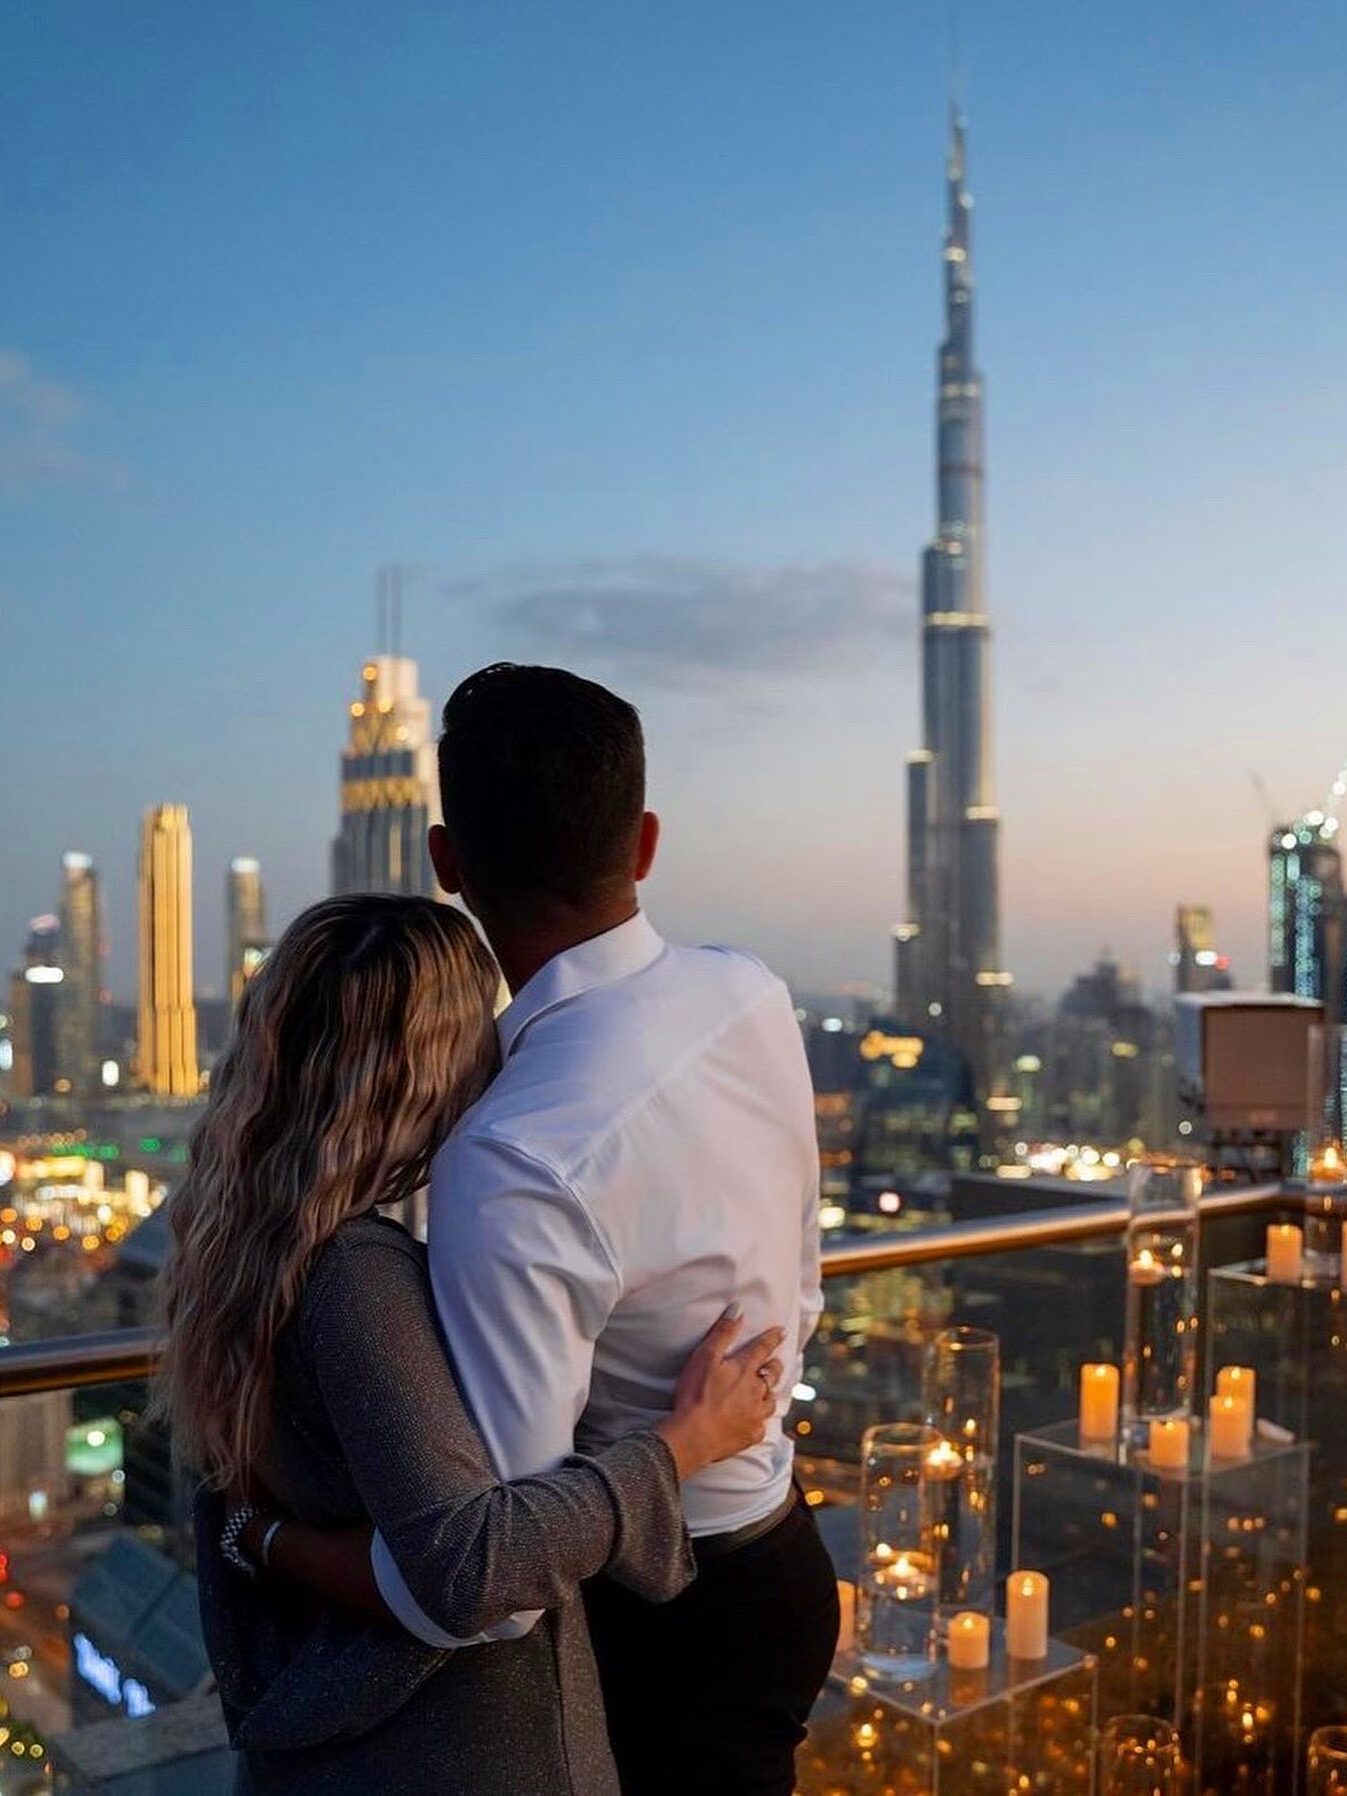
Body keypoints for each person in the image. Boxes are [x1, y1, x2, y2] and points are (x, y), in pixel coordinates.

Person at [156, 893, 786, 1796]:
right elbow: (470, 1565)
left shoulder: (239, 1244)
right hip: (456, 1751)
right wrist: (688, 1443)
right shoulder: (352, 1276)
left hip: (338, 1749)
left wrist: (265, 1538)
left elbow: (249, 1498)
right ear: (434, 1061)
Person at [373, 663, 840, 1795]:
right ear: (644, 841)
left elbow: (504, 1575)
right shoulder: (751, 991)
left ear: (448, 865)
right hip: (782, 1549)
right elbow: (804, 1289)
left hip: (662, 1625)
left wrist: (275, 1544)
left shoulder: (515, 1152)